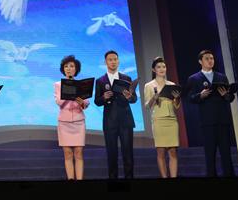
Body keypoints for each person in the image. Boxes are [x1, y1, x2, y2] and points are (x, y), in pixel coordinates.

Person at [186, 49, 235, 177]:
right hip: (207, 122)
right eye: (207, 58)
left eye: (212, 58)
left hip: (223, 120)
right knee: (210, 153)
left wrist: (226, 95)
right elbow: (189, 98)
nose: (210, 61)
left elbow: (230, 97)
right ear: (200, 61)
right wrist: (200, 95)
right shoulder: (194, 78)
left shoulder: (221, 76)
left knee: (226, 153)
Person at [94, 50, 137, 179]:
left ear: (118, 61)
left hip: (126, 121)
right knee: (112, 154)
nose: (113, 62)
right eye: (110, 60)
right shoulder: (100, 81)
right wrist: (104, 97)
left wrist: (129, 97)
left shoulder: (126, 78)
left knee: (128, 153)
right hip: (109, 122)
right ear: (105, 62)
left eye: (115, 59)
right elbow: (97, 101)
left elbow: (134, 99)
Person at [144, 57, 181, 178]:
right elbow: (147, 106)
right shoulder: (149, 85)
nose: (162, 69)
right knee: (160, 152)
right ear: (154, 70)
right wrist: (154, 98)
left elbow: (176, 106)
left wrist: (177, 98)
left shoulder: (172, 85)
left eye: (164, 67)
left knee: (173, 152)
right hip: (158, 120)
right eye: (159, 67)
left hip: (172, 120)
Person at [54, 55, 89, 180]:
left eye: (71, 66)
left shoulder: (81, 84)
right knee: (68, 154)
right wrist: (67, 90)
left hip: (79, 122)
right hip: (64, 123)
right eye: (66, 66)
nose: (69, 68)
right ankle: (70, 180)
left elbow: (86, 104)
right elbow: (58, 102)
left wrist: (82, 102)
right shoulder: (58, 84)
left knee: (78, 153)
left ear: (76, 69)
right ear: (63, 69)